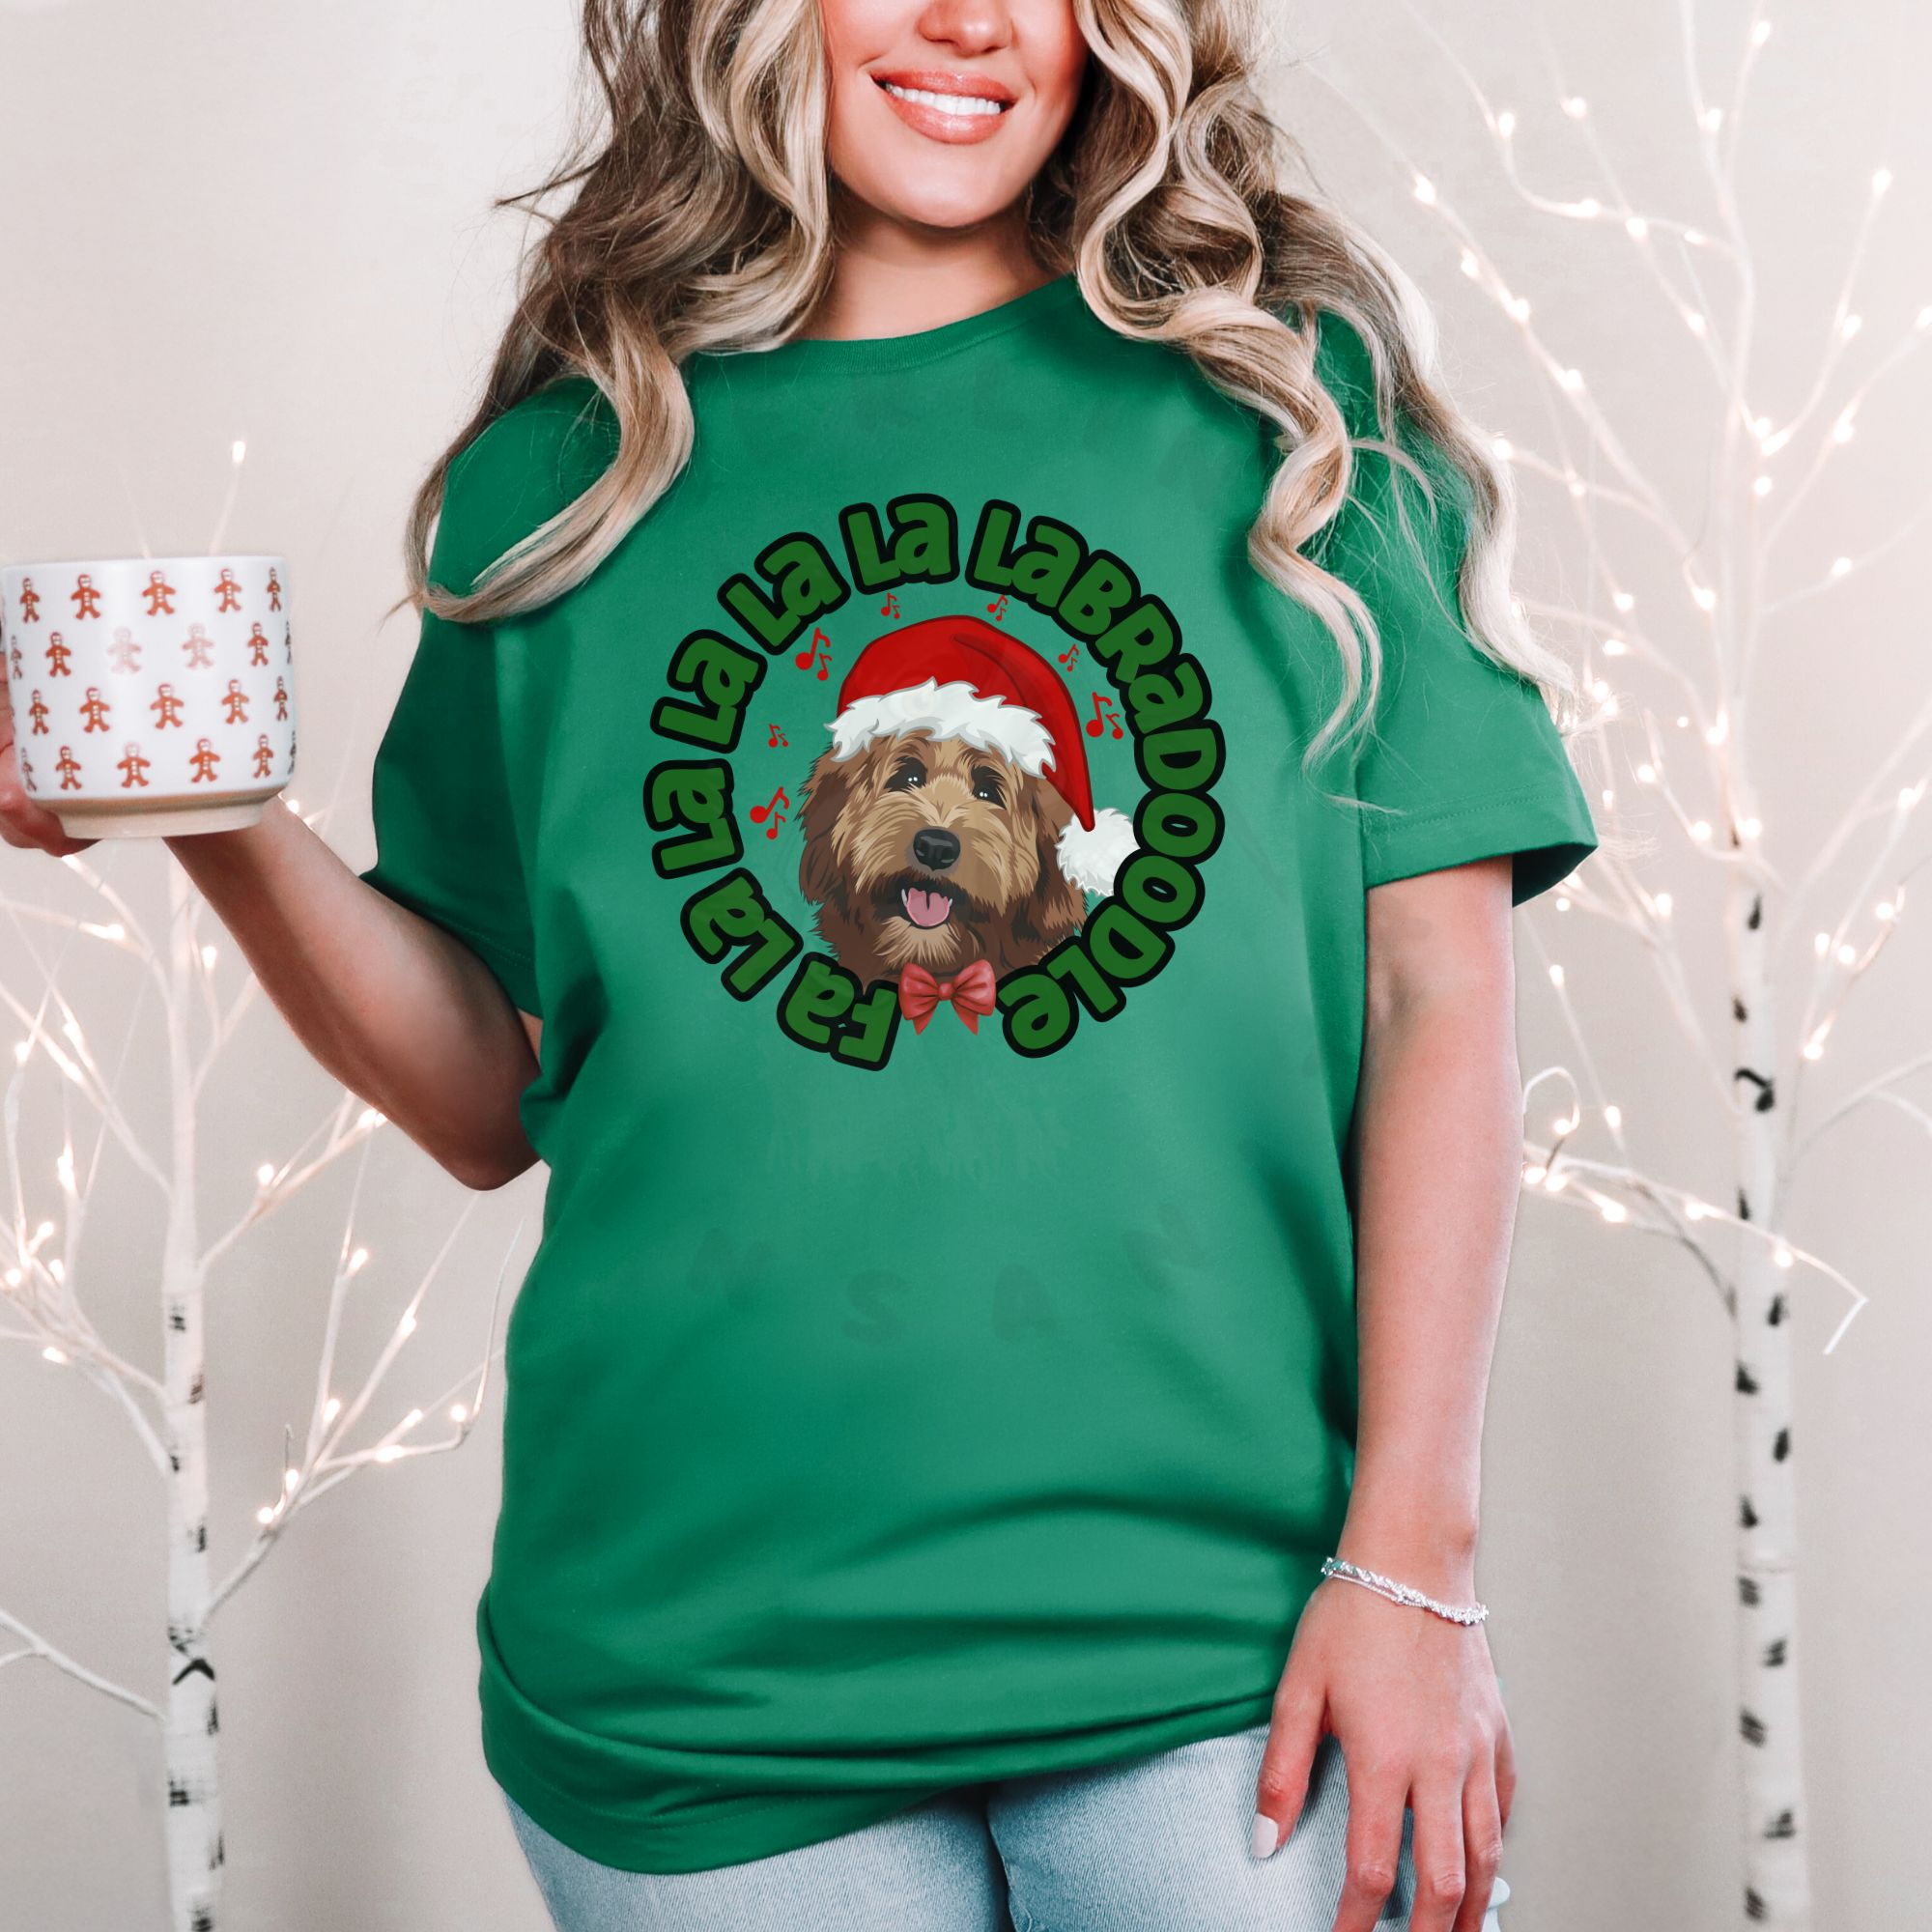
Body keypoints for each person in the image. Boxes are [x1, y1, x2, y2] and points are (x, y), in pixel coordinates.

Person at [0, 0, 1599, 1925]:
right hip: (696, 1690)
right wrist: (222, 823)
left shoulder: (1294, 420)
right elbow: (489, 1097)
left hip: (1230, 1657)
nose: (966, 22)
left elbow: (1441, 1004)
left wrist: (1411, 1564)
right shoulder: (564, 479)